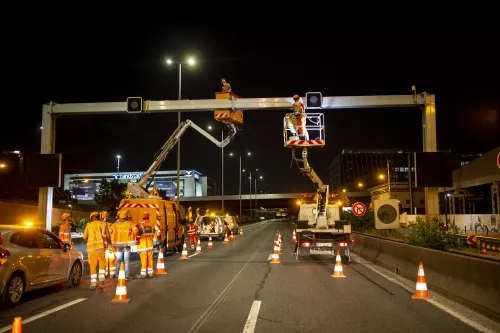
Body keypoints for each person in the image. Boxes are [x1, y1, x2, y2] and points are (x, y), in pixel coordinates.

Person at [84, 212, 108, 289]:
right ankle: (101, 281)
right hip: (101, 247)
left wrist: (88, 241)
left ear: (92, 218)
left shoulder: (88, 225)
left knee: (92, 266)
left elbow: (85, 237)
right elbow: (107, 236)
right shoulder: (103, 224)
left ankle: (93, 284)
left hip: (91, 249)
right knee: (102, 264)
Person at [110, 210, 135, 280]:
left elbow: (109, 232)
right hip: (126, 245)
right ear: (126, 216)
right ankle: (127, 275)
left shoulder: (115, 224)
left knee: (118, 260)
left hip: (118, 245)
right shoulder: (130, 224)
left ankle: (116, 275)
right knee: (126, 261)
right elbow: (136, 231)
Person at [133, 212, 155, 278]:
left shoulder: (139, 225)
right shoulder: (152, 225)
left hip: (142, 245)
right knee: (150, 259)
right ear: (148, 217)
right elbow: (153, 234)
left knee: (144, 259)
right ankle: (150, 273)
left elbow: (136, 234)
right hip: (150, 245)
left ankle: (143, 274)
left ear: (142, 217)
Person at [100, 211, 116, 278]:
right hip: (109, 245)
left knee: (104, 260)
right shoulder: (110, 225)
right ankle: (112, 274)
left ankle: (106, 273)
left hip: (103, 245)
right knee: (111, 259)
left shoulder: (99, 225)